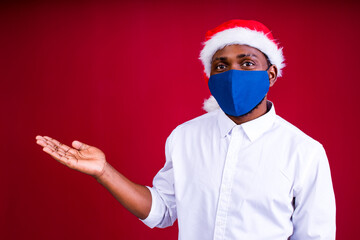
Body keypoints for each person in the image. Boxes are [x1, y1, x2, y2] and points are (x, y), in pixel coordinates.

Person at [36, 19, 336, 239]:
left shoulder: (305, 152)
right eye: (221, 66)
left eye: (247, 63)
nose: (232, 73)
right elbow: (163, 210)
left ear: (270, 74)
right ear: (210, 76)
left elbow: (315, 236)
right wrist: (104, 171)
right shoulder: (185, 137)